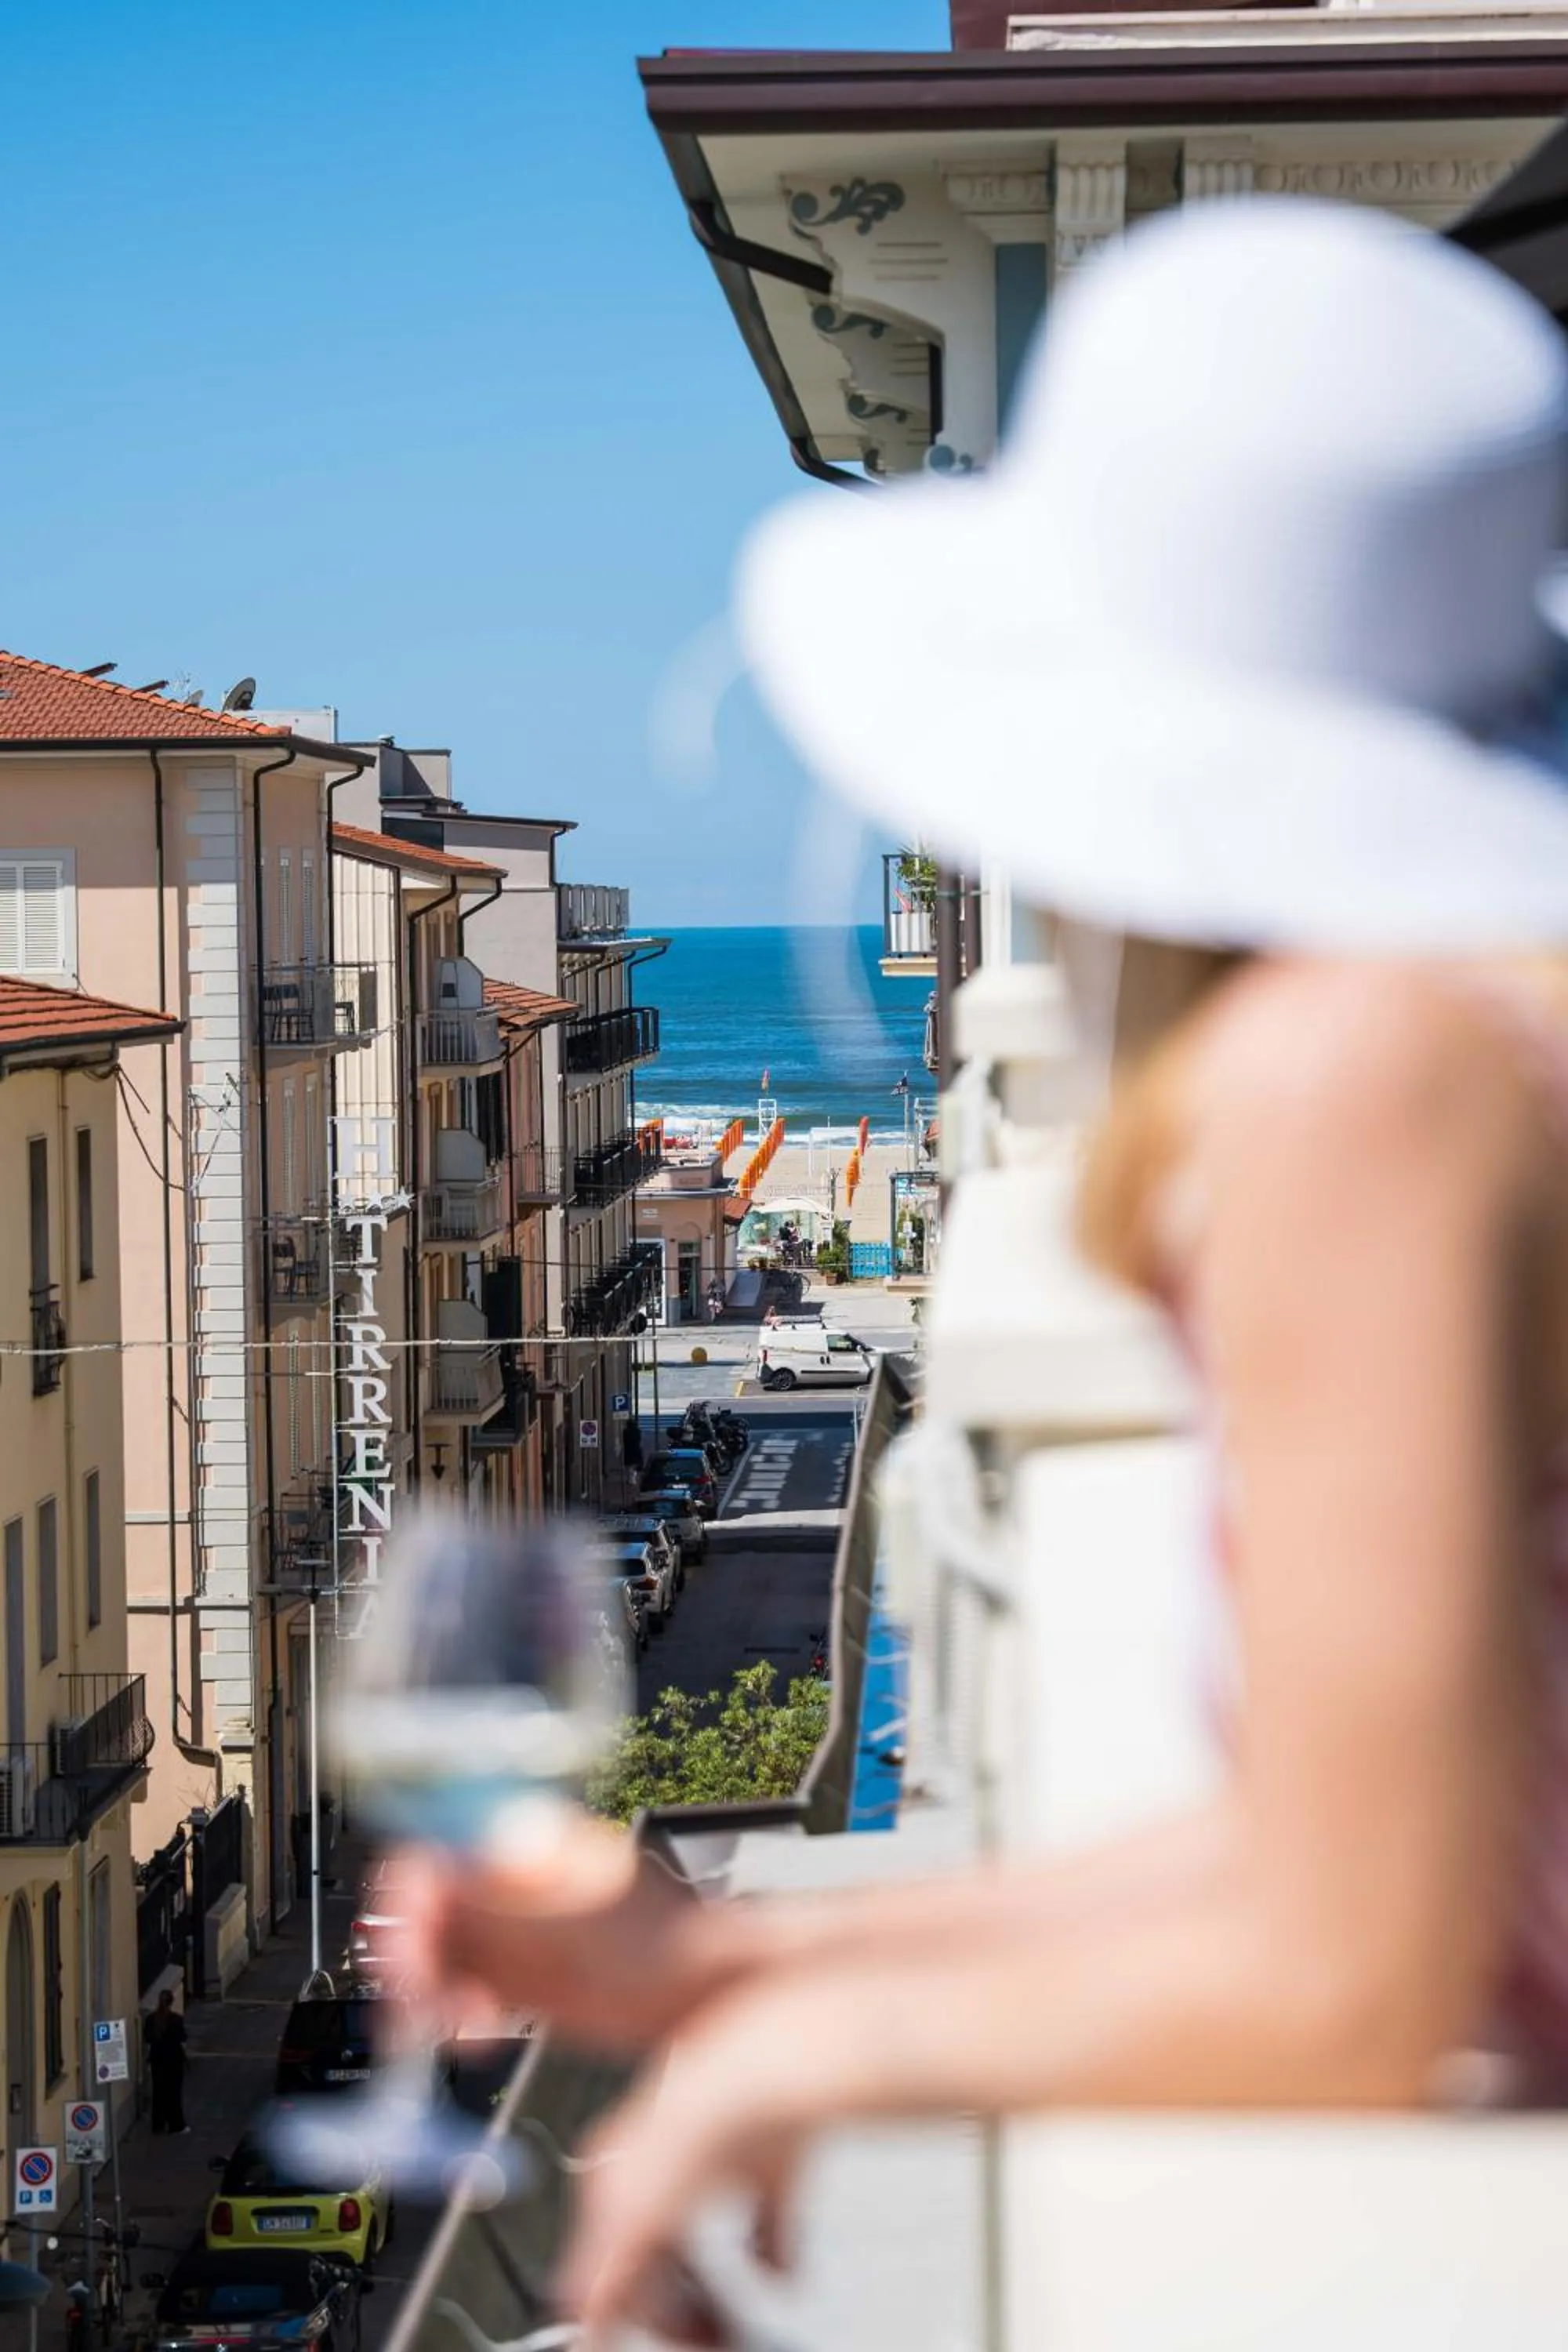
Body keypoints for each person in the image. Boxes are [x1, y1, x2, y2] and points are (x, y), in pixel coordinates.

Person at [408, 201, 1568, 2338]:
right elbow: (1330, 1831)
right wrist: (736, 1967)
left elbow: (1351, 1970)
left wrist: (794, 2059)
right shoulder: (1459, 1037)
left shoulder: (1369, 1077)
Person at [145, 1988, 187, 2135]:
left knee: (158, 2092)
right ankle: (176, 2124)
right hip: (174, 2060)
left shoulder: (151, 2019)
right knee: (174, 2093)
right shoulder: (176, 2019)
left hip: (157, 2060)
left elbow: (147, 2038)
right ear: (172, 2002)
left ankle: (158, 2124)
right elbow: (183, 2038)